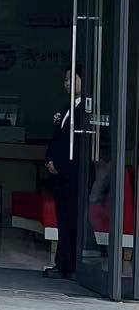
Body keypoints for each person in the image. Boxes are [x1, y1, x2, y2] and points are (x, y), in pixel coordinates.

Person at [44, 69, 91, 279]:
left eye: (72, 79)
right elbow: (58, 139)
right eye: (65, 80)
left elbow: (79, 147)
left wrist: (60, 165)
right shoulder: (67, 107)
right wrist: (49, 160)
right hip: (59, 174)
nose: (67, 84)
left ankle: (72, 265)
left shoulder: (86, 110)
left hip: (73, 174)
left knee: (72, 219)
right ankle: (63, 263)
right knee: (63, 219)